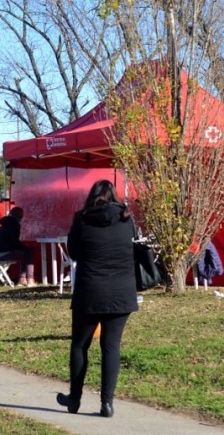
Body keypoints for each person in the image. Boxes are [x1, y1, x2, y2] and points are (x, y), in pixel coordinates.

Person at [57, 179, 137, 418]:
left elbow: (74, 253)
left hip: (90, 290)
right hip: (121, 291)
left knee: (80, 345)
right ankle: (107, 403)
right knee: (111, 346)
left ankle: (74, 398)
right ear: (114, 196)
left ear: (91, 197)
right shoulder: (126, 219)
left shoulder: (81, 220)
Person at [0, 207, 35, 286]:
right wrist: (26, 248)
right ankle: (30, 279)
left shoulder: (5, 223)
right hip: (6, 254)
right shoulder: (15, 224)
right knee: (28, 253)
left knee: (25, 254)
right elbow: (14, 242)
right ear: (20, 216)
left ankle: (23, 279)